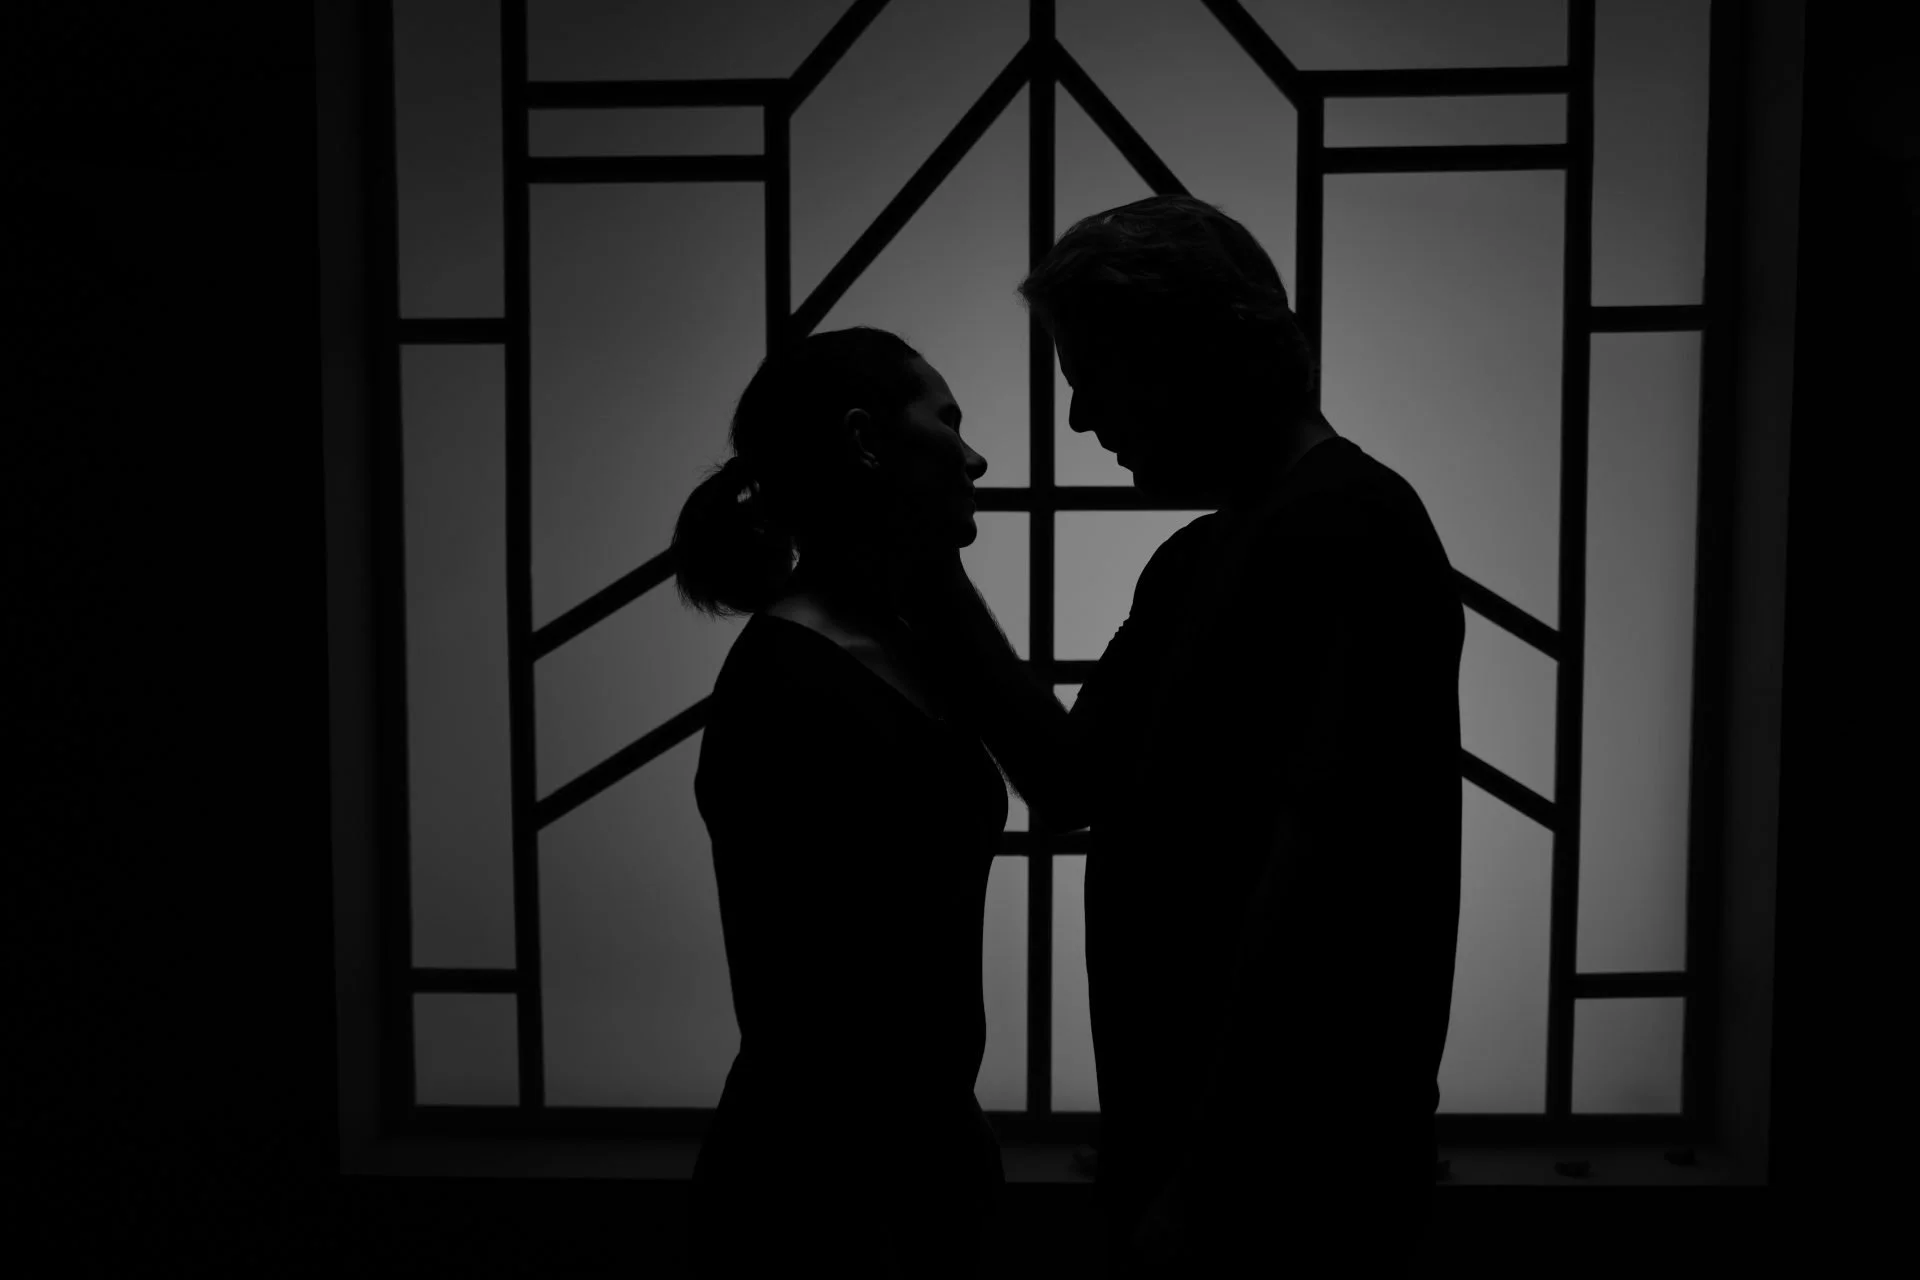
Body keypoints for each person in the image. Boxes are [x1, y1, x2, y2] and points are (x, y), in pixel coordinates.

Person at [900, 194, 1466, 1275]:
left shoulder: (1347, 528)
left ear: (1186, 352)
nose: (1076, 418)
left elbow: (1322, 889)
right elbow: (1070, 781)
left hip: (1286, 1181)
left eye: (1090, 369)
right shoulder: (1209, 557)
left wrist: (1213, 1176)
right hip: (1206, 1154)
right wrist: (930, 567)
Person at [673, 326, 1005, 1278]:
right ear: (867, 441)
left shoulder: (888, 650)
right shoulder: (791, 680)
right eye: (946, 422)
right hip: (827, 1201)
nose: (975, 456)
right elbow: (822, 1005)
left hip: (902, 1167)